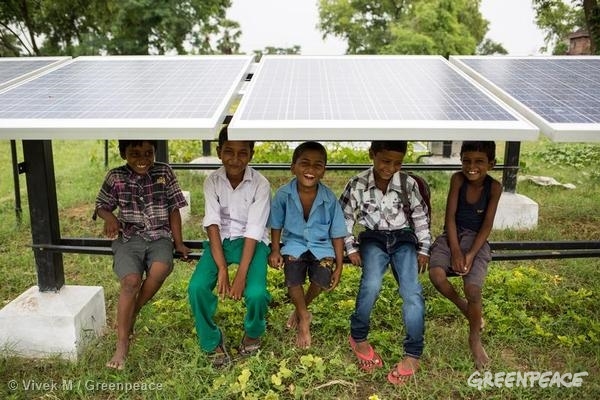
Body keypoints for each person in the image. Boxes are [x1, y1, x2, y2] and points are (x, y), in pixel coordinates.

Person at [339, 140, 431, 385]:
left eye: (397, 163)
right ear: (372, 154)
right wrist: (350, 247)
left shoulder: (408, 183)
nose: (390, 168)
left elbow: (420, 217)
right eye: (385, 161)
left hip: (403, 239)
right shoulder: (357, 183)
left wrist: (424, 248)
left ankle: (413, 353)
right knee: (371, 284)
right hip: (373, 238)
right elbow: (344, 218)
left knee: (412, 292)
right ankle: (359, 337)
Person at [94, 139, 190, 370]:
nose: (142, 159)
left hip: (159, 236)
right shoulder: (115, 176)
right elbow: (101, 205)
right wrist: (110, 218)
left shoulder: (164, 172)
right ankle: (122, 343)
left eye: (148, 153)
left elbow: (174, 209)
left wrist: (179, 243)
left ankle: (134, 309)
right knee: (131, 281)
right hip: (129, 237)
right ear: (123, 153)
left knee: (161, 267)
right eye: (135, 153)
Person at [187, 125, 271, 368]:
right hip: (220, 242)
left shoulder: (261, 184)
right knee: (196, 288)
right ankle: (211, 340)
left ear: (252, 154)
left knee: (256, 293)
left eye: (243, 152)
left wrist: (240, 275)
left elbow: (254, 230)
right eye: (228, 151)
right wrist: (222, 268)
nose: (235, 159)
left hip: (252, 243)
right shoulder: (212, 181)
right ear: (218, 152)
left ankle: (253, 332)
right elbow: (212, 224)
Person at [428, 141, 501, 371]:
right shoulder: (457, 179)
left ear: (491, 164)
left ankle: (474, 339)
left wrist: (469, 255)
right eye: (466, 161)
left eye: (479, 162)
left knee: (473, 290)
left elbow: (486, 226)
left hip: (477, 241)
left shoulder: (494, 187)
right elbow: (449, 218)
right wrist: (456, 250)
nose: (471, 166)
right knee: (436, 275)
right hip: (451, 236)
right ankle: (465, 308)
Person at [268, 141, 347, 349]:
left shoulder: (329, 198)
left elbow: (337, 233)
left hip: (322, 246)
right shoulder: (284, 195)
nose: (310, 169)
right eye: (304, 163)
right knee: (292, 274)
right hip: (293, 244)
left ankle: (300, 310)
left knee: (322, 276)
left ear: (324, 171)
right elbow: (276, 224)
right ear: (293, 167)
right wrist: (275, 250)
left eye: (317, 165)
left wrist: (339, 265)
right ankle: (304, 318)